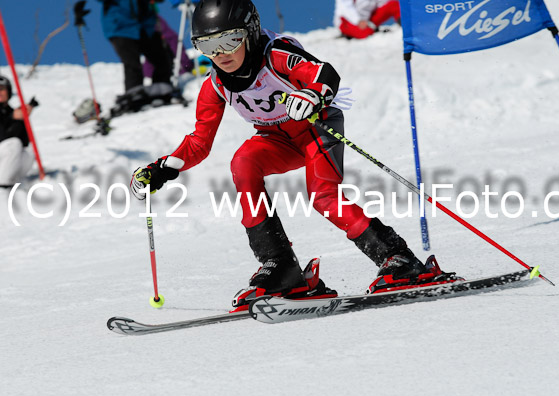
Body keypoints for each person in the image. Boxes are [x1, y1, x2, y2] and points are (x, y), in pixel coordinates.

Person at [129, 0, 456, 310]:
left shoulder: (276, 55)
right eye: (207, 46)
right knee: (243, 162)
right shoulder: (216, 84)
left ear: (251, 31)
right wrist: (162, 169)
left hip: (317, 127)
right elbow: (200, 142)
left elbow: (323, 74)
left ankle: (399, 261)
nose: (221, 54)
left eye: (230, 41)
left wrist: (312, 95)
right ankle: (282, 268)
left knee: (323, 196)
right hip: (277, 140)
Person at [97, 0, 174, 109]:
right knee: (132, 62)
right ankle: (135, 94)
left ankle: (161, 89)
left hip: (145, 25)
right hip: (120, 26)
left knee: (160, 56)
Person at [0, 75, 37, 189]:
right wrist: (12, 117)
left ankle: (14, 183)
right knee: (14, 145)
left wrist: (22, 120)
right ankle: (3, 187)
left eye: (2, 88)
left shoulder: (10, 111)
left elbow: (23, 142)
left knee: (29, 153)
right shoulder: (10, 114)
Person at [334, 0, 401, 39]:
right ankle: (348, 34)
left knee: (394, 4)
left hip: (367, 21)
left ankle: (405, 25)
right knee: (365, 32)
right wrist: (358, 21)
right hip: (347, 21)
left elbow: (383, 2)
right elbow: (345, 8)